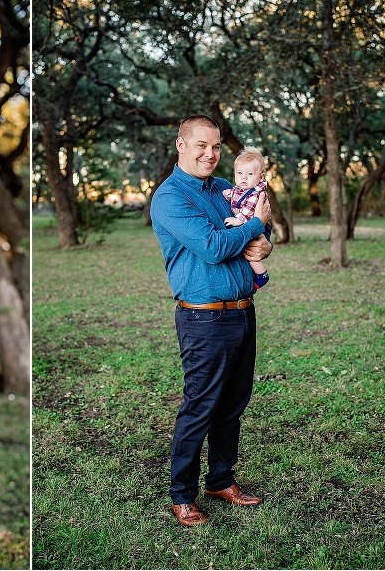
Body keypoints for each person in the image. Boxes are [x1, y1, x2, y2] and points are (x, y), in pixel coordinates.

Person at [150, 115, 273, 527]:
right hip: (203, 320)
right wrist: (258, 224)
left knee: (232, 406)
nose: (211, 154)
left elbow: (256, 240)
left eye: (217, 146)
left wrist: (263, 244)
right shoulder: (170, 198)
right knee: (199, 407)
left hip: (242, 312)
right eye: (201, 145)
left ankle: (221, 480)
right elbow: (215, 246)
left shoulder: (225, 189)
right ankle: (181, 495)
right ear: (182, 145)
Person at [222, 146, 271, 289]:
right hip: (249, 225)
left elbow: (250, 207)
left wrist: (239, 220)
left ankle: (262, 274)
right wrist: (229, 193)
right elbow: (236, 193)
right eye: (239, 173)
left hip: (250, 224)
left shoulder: (257, 193)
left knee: (249, 250)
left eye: (250, 174)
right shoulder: (241, 188)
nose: (243, 178)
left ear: (260, 177)